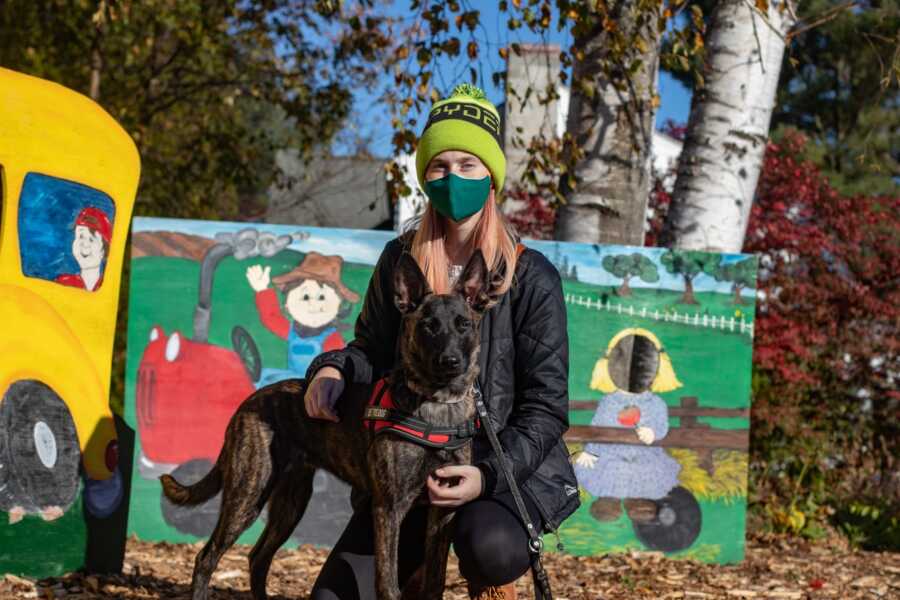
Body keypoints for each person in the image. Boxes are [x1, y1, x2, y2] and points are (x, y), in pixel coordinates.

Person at [303, 84, 579, 600]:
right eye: (440, 166)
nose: (453, 178)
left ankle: (492, 584)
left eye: (468, 165)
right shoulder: (400, 260)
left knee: (491, 550)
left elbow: (546, 406)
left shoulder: (530, 276)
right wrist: (334, 368)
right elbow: (371, 348)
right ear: (426, 176)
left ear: (491, 176)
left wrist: (486, 474)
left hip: (491, 469)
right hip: (409, 461)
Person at [55, 206, 112, 291]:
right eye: (81, 236)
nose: (85, 244)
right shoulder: (63, 284)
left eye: (91, 239)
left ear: (103, 250)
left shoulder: (109, 287)